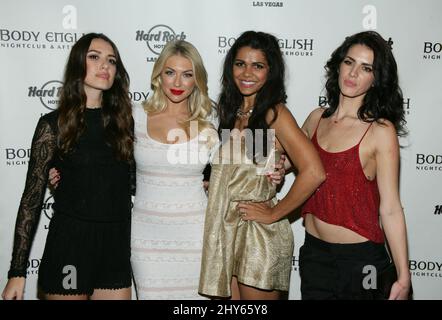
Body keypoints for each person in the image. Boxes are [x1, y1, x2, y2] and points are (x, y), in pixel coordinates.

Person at [2, 33, 134, 300]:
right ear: (77, 63)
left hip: (115, 248)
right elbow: (31, 199)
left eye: (111, 60)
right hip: (71, 248)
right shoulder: (54, 125)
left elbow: (130, 183)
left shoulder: (124, 124)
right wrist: (17, 271)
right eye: (94, 57)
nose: (105, 66)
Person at [198, 31, 325, 300]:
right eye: (240, 63)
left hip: (259, 234)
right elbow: (251, 166)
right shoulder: (232, 111)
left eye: (258, 65)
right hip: (227, 230)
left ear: (271, 71)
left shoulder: (274, 113)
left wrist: (274, 212)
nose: (247, 73)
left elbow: (314, 172)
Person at [299, 30, 411, 300]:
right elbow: (286, 160)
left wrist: (404, 275)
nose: (353, 73)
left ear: (375, 79)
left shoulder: (380, 131)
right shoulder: (316, 119)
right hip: (315, 256)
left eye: (366, 68)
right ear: (339, 65)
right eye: (349, 62)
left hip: (362, 262)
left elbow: (391, 208)